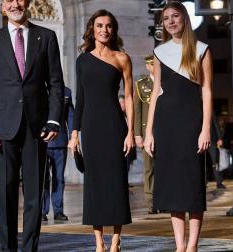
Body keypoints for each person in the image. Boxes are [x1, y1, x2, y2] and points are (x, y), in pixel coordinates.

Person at [0, 0, 64, 250]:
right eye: (9, 0)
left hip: (37, 129)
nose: (15, 4)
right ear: (2, 6)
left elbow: (56, 84)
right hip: (2, 130)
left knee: (35, 196)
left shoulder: (46, 37)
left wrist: (53, 120)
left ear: (26, 3)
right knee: (5, 194)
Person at [143, 2, 213, 251]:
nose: (171, 21)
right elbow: (155, 93)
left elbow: (206, 91)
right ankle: (179, 246)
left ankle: (192, 245)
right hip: (165, 125)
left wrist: (205, 129)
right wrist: (149, 131)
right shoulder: (160, 52)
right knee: (173, 188)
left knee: (192, 186)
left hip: (191, 124)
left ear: (185, 19)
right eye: (166, 18)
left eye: (175, 16)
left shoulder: (201, 49)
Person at [68, 9, 134, 252]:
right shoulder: (82, 60)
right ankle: (99, 242)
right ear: (92, 30)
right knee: (94, 185)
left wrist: (130, 132)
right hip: (91, 128)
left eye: (108, 26)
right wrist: (74, 134)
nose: (104, 30)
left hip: (115, 127)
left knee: (117, 182)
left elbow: (129, 96)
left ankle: (116, 240)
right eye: (99, 25)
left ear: (113, 29)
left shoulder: (122, 58)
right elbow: (80, 98)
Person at [42, 86, 73, 222]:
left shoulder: (65, 92)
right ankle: (42, 210)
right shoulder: (38, 88)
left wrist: (73, 136)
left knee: (59, 178)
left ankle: (58, 211)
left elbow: (70, 116)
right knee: (43, 179)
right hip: (42, 141)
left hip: (60, 141)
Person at [134, 55, 157, 214]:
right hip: (146, 133)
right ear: (148, 67)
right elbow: (137, 111)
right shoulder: (141, 85)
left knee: (164, 168)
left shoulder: (165, 83)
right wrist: (137, 134)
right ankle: (151, 201)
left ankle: (163, 198)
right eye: (152, 65)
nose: (155, 67)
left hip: (163, 133)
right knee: (149, 168)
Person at [208, 114, 226, 189]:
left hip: (211, 140)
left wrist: (219, 138)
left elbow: (216, 124)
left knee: (215, 162)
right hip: (199, 140)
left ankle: (219, 182)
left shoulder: (211, 110)